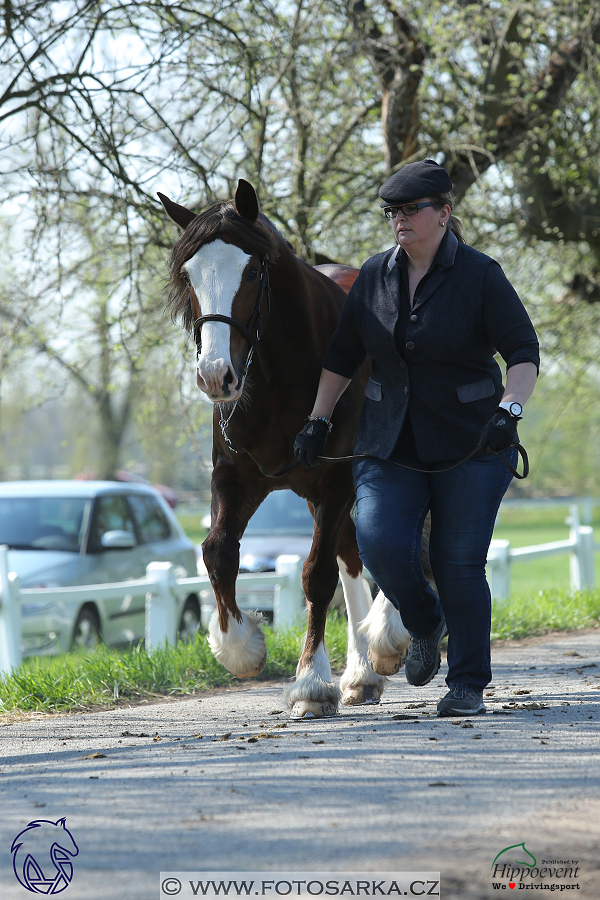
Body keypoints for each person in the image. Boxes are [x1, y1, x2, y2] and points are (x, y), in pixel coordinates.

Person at [294, 159, 539, 717]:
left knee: (458, 563)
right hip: (390, 441)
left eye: (411, 210)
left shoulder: (480, 274)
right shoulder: (376, 274)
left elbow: (523, 352)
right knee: (376, 539)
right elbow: (341, 356)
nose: (400, 220)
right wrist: (316, 419)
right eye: (393, 212)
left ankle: (468, 683)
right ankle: (425, 621)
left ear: (444, 214)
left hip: (473, 443)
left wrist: (511, 410)